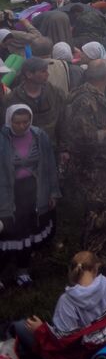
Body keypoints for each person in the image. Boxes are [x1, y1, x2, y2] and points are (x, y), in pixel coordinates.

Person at [9, 251, 106, 359]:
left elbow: (63, 343)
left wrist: (40, 330)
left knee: (20, 326)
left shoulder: (67, 301)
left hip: (83, 353)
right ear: (96, 268)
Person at [59, 58, 106, 259]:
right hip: (92, 168)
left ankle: (95, 257)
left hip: (91, 166)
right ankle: (92, 263)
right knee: (97, 216)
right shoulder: (86, 100)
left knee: (96, 214)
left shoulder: (82, 94)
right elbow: (85, 138)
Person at [1, 104, 60, 288]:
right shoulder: (2, 139)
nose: (22, 126)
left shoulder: (39, 136)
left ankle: (23, 270)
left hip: (33, 191)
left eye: (25, 122)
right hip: (7, 194)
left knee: (27, 232)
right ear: (9, 120)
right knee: (7, 233)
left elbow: (49, 165)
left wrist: (52, 192)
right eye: (17, 122)